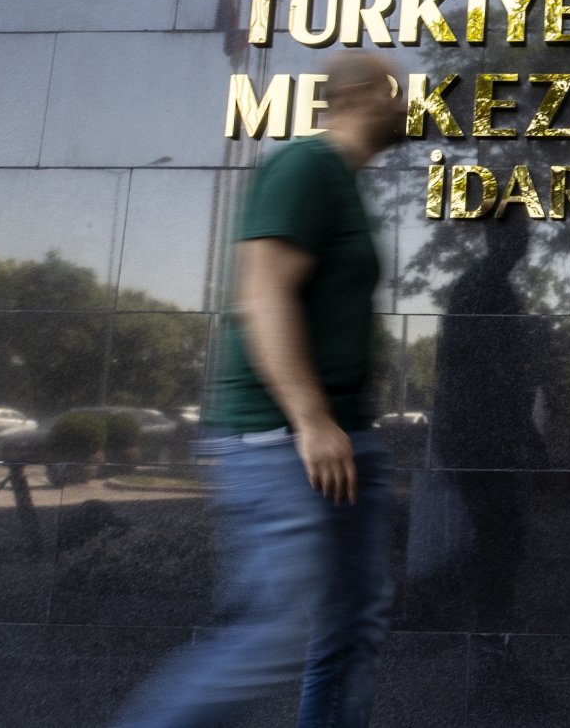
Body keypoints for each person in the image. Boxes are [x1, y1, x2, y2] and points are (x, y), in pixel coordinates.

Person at [117, 51, 408, 728]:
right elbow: (264, 292)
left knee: (350, 625)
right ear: (363, 96)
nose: (407, 105)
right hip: (281, 439)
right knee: (280, 630)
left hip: (342, 442)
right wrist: (309, 417)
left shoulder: (343, 183)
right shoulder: (304, 165)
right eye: (398, 92)